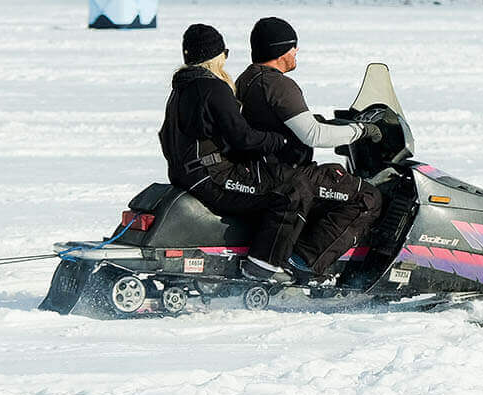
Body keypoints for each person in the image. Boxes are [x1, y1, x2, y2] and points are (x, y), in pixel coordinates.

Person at [158, 23, 311, 284]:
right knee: (289, 192)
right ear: (216, 56)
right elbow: (243, 138)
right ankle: (263, 265)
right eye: (224, 53)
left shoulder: (181, 88)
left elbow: (167, 136)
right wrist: (279, 140)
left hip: (187, 175)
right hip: (212, 177)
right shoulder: (213, 89)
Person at [235, 17, 385, 281]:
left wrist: (324, 121)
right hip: (286, 174)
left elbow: (282, 122)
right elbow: (313, 134)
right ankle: (303, 264)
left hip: (260, 169)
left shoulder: (247, 78)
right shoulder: (278, 85)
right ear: (280, 50)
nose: (296, 53)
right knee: (367, 198)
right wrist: (361, 130)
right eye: (293, 47)